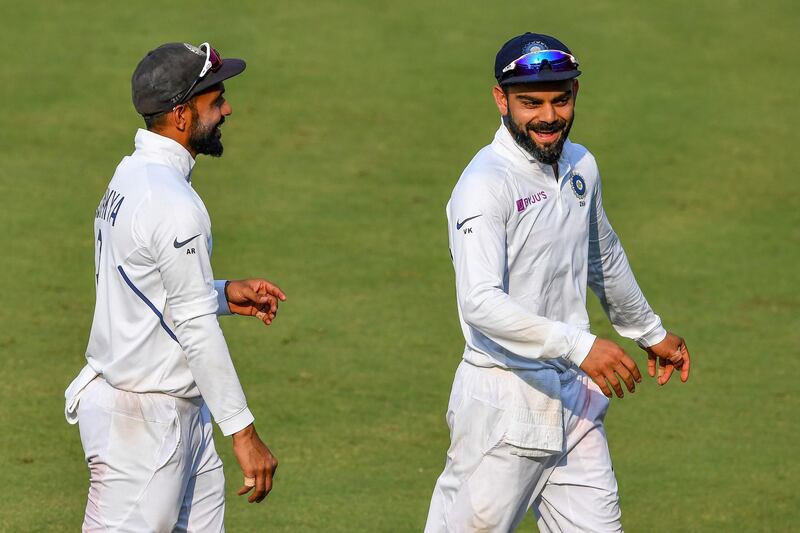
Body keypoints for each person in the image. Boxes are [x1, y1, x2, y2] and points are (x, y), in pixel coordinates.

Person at [424, 33, 692, 532]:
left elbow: (602, 253)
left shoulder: (580, 166)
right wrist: (578, 344)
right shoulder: (485, 185)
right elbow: (479, 303)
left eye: (560, 99)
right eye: (531, 103)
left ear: (574, 95)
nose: (549, 117)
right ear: (500, 99)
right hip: (504, 402)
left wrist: (649, 332)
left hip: (574, 399)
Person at [63, 42, 286, 531]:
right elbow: (194, 327)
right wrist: (244, 432)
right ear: (182, 115)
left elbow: (146, 282)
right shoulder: (172, 202)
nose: (227, 108)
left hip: (175, 413)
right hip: (141, 426)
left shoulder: (131, 176)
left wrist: (223, 293)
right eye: (216, 100)